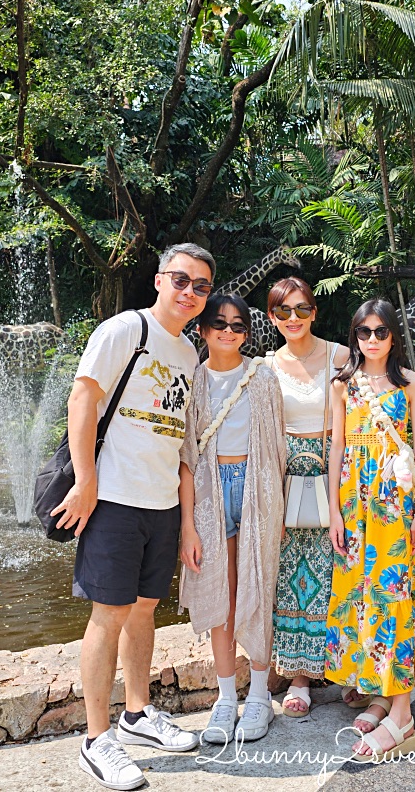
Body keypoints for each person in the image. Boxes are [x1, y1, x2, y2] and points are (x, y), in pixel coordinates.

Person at [52, 243, 214, 791]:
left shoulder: (190, 354)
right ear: (160, 280)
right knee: (109, 613)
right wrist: (86, 484)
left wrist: (186, 519)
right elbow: (83, 400)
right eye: (181, 280)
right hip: (114, 499)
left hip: (162, 502)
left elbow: (183, 439)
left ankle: (137, 713)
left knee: (144, 609)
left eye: (201, 286)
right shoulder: (126, 330)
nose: (190, 292)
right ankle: (97, 741)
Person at [326, 298, 415, 763]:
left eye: (381, 332)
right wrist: (333, 510)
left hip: (393, 501)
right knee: (359, 593)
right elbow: (336, 446)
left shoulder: (411, 383)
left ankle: (402, 713)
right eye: (364, 332)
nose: (372, 340)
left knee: (393, 595)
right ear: (355, 336)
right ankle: (379, 694)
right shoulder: (342, 385)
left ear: (394, 335)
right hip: (353, 502)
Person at [178, 294, 287, 744]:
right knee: (218, 594)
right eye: (219, 324)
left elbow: (278, 448)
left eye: (238, 325)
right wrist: (187, 526)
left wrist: (278, 505)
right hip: (208, 491)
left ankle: (259, 696)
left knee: (256, 589)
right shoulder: (192, 381)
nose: (228, 331)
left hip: (257, 487)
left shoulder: (262, 378)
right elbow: (184, 457)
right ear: (202, 330)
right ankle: (226, 700)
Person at [267, 277, 355, 717]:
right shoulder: (266, 366)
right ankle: (299, 674)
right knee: (295, 574)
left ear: (314, 312)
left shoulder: (341, 356)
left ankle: (346, 671)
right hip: (288, 476)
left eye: (302, 309)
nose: (294, 319)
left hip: (335, 469)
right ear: (272, 317)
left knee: (341, 568)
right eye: (284, 311)